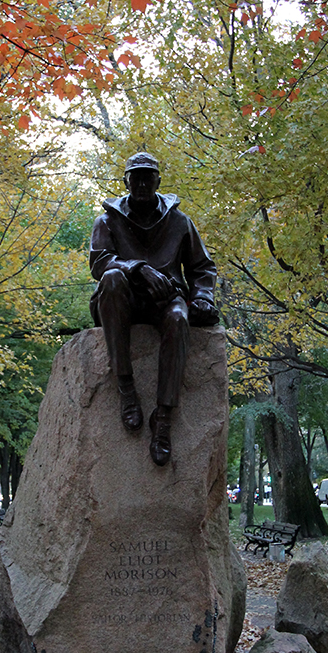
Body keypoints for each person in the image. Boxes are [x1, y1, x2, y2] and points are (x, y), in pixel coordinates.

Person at [89, 152, 218, 466]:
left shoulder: (179, 221)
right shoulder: (107, 220)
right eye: (136, 177)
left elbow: (202, 268)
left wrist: (203, 298)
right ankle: (126, 387)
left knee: (178, 317)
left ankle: (163, 417)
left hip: (165, 300)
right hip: (123, 300)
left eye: (149, 177)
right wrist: (138, 268)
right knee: (113, 277)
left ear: (158, 181)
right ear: (126, 182)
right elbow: (99, 262)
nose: (143, 183)